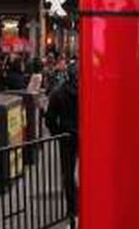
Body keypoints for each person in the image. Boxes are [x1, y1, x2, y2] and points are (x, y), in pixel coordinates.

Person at [45, 62, 79, 214]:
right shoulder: (89, 91)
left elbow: (50, 119)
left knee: (68, 173)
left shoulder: (58, 93)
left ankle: (72, 208)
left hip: (66, 136)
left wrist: (58, 134)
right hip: (85, 136)